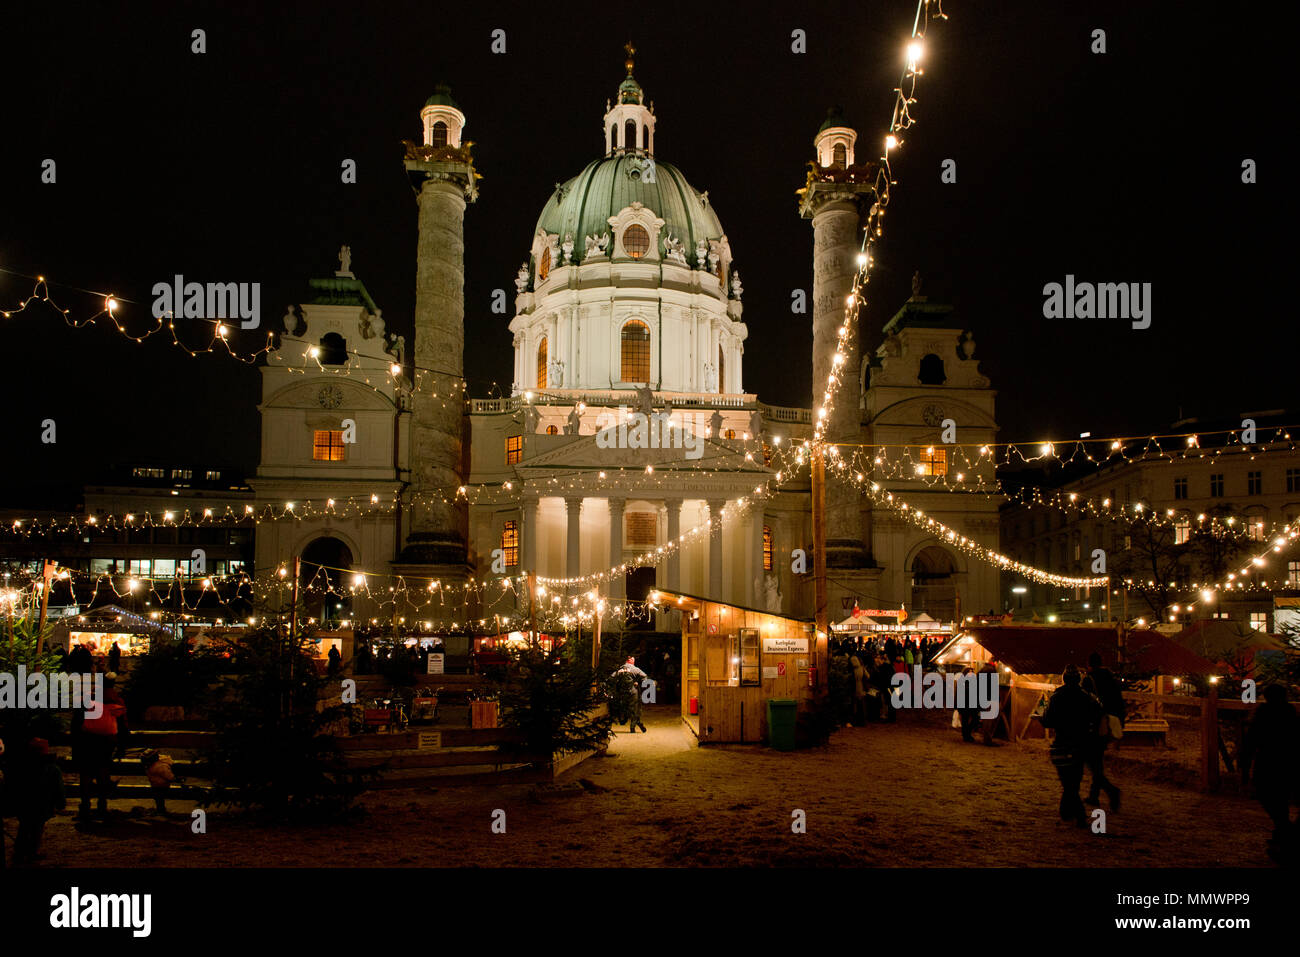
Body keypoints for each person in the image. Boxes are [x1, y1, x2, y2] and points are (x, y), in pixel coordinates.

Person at [1240, 684, 1298, 862]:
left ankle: (1285, 833)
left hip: (1268, 763)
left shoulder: (1264, 714)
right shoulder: (1291, 714)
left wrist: (1244, 765)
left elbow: (1251, 740)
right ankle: (1284, 833)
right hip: (1287, 764)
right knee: (1279, 801)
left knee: (1270, 798)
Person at [1041, 664, 1102, 828]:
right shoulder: (1086, 697)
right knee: (1073, 781)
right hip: (1081, 744)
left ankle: (1077, 815)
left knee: (1068, 783)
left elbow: (1047, 720)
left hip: (1062, 743)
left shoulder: (1057, 696)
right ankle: (1067, 812)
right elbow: (1098, 715)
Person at [74, 674, 128, 819]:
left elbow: (77, 720)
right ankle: (102, 805)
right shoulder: (116, 699)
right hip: (107, 740)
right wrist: (122, 745)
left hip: (87, 739)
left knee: (86, 773)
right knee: (103, 771)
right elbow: (122, 724)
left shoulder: (88, 698)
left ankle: (85, 806)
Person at [12, 737, 65, 867]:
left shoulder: (21, 767)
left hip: (25, 804)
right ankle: (32, 851)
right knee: (37, 828)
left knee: (24, 827)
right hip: (43, 804)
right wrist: (60, 802)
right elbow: (58, 787)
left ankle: (19, 852)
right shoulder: (52, 769)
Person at [1081, 652, 1123, 810]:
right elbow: (1118, 703)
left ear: (1089, 664)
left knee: (1092, 763)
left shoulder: (1089, 680)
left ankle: (1111, 791)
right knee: (1097, 761)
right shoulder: (1110, 679)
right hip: (1107, 724)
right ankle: (1094, 795)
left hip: (1093, 726)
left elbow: (1085, 704)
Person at [615, 657, 648, 733]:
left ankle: (626, 721)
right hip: (632, 692)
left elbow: (612, 677)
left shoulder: (620, 669)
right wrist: (639, 683)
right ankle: (633, 727)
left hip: (622, 693)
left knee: (626, 708)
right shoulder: (635, 669)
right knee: (634, 709)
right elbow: (645, 677)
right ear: (631, 661)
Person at [141, 750, 176, 815]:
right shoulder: (154, 765)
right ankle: (160, 810)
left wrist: (173, 778)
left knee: (159, 798)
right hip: (157, 784)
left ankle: (161, 810)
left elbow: (169, 776)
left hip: (161, 786)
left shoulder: (160, 766)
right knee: (158, 798)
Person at [849, 654, 868, 726]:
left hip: (855, 688)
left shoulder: (852, 670)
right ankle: (862, 720)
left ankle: (857, 720)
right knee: (861, 705)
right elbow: (868, 676)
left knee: (856, 705)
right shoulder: (862, 668)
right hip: (862, 687)